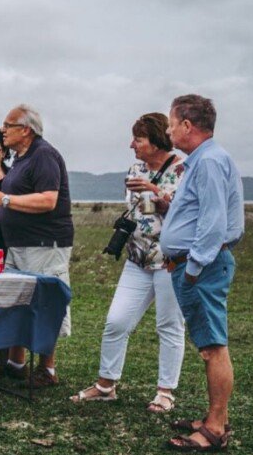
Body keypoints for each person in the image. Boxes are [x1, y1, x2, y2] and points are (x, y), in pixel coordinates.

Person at [71, 113, 186, 411]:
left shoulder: (183, 169)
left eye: (138, 138)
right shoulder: (136, 168)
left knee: (169, 325)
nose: (131, 144)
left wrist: (156, 193)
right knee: (116, 320)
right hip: (137, 258)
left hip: (170, 260)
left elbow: (188, 213)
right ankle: (106, 385)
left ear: (157, 139)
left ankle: (165, 392)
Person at [159, 94, 244, 453]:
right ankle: (214, 418)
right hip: (193, 264)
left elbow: (213, 222)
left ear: (187, 126)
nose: (168, 128)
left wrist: (192, 266)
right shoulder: (202, 161)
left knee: (212, 348)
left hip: (203, 268)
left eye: (171, 122)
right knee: (208, 344)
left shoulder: (208, 162)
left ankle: (215, 428)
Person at [0, 104, 73, 387]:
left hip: (43, 244)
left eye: (8, 125)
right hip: (19, 244)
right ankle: (15, 363)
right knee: (15, 302)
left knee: (45, 303)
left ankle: (47, 369)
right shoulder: (21, 157)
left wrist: (4, 200)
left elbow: (48, 200)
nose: (3, 130)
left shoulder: (43, 155)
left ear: (26, 130)